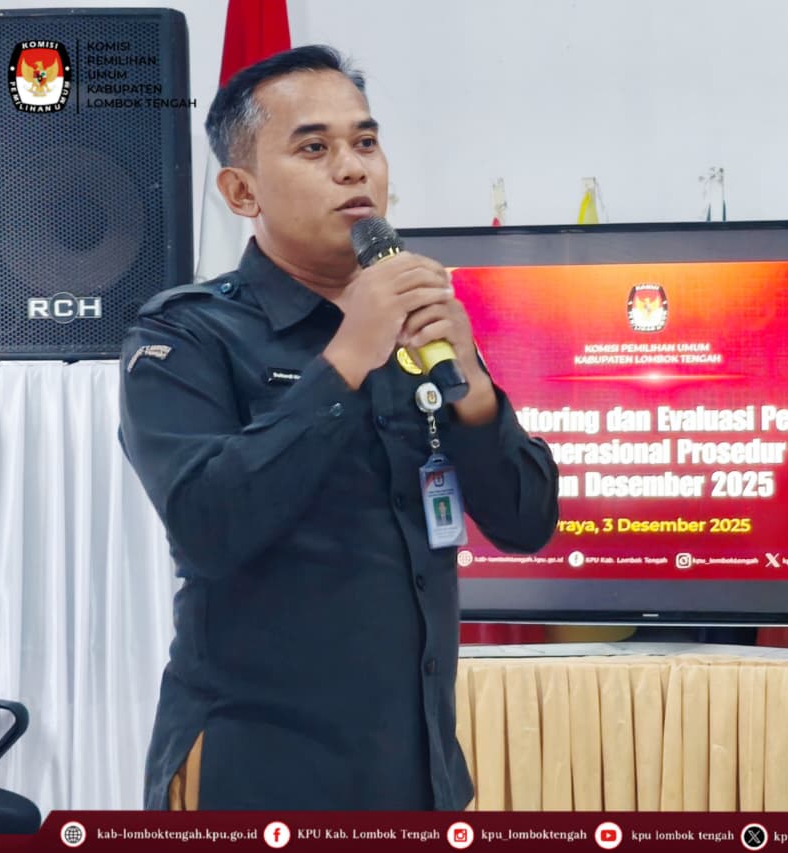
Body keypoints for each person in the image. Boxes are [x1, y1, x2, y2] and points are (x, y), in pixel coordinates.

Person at [118, 45, 559, 811]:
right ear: (241, 191)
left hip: (420, 778)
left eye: (365, 142)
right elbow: (208, 523)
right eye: (314, 148)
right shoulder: (185, 335)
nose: (353, 168)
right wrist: (349, 354)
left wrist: (473, 383)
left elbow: (526, 521)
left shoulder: (420, 325)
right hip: (256, 781)